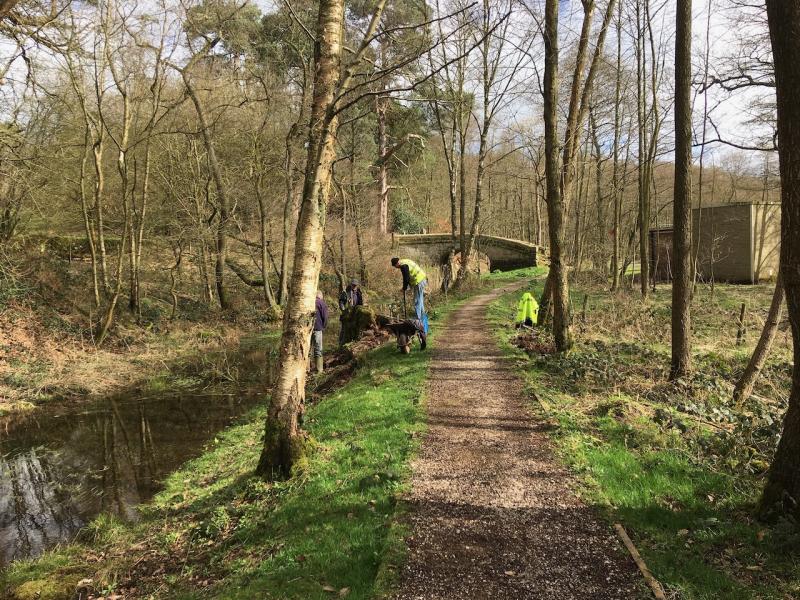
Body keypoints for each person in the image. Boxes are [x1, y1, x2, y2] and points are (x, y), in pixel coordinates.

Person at [391, 257, 427, 326]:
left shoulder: (403, 266)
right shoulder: (404, 261)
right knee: (420, 300)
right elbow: (407, 276)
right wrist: (407, 287)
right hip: (422, 279)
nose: (396, 268)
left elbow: (406, 278)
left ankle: (418, 320)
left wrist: (404, 288)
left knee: (417, 301)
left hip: (419, 281)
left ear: (397, 263)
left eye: (395, 266)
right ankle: (423, 318)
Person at [338, 279, 364, 346]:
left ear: (357, 285)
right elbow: (341, 302)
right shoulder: (345, 292)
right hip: (347, 315)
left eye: (355, 285)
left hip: (356, 314)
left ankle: (353, 343)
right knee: (344, 330)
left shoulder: (359, 292)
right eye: (353, 285)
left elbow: (361, 303)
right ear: (351, 284)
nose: (354, 286)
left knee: (355, 329)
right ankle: (341, 344)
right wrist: (344, 310)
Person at [311, 290, 328, 374]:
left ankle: (306, 369)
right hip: (318, 329)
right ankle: (319, 370)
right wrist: (323, 327)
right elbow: (325, 317)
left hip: (307, 330)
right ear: (320, 295)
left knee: (307, 350)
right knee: (318, 349)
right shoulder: (322, 303)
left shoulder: (309, 302)